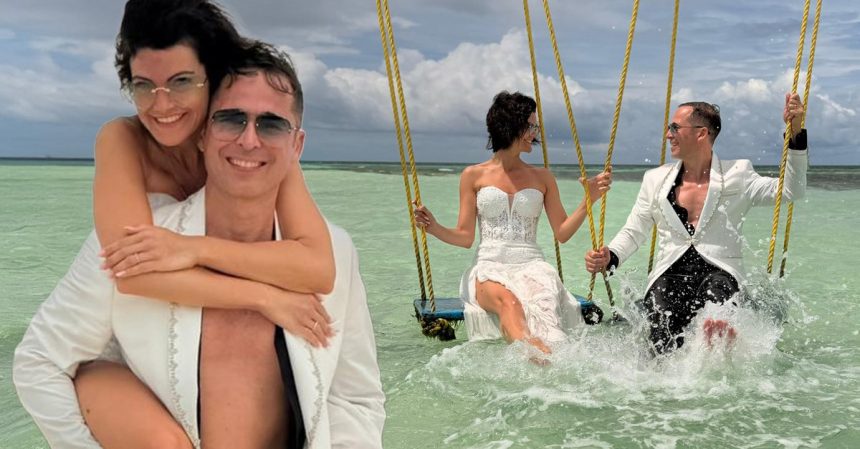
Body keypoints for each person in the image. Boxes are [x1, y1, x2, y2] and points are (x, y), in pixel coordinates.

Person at [14, 41, 385, 449]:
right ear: (203, 135)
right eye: (230, 119)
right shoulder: (139, 241)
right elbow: (40, 363)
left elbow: (354, 398)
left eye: (271, 125)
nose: (249, 140)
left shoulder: (337, 251)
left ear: (296, 146)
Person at [71, 0, 339, 444]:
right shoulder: (122, 139)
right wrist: (264, 297)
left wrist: (192, 249)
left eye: (181, 82)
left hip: (197, 347)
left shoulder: (252, 142)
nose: (161, 105)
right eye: (143, 86)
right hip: (134, 344)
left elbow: (318, 267)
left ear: (212, 79)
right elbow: (133, 273)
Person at [584, 94, 808, 354]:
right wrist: (610, 256)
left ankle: (721, 354)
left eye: (675, 127)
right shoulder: (654, 179)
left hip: (720, 271)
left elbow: (792, 190)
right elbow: (635, 230)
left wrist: (795, 133)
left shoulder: (738, 173)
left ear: (701, 133)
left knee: (719, 300)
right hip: (669, 273)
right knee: (659, 324)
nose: (668, 135)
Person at [414, 91, 611, 355]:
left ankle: (550, 362)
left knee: (546, 314)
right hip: (489, 267)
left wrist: (590, 199)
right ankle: (533, 355)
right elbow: (464, 236)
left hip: (533, 265)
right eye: (530, 126)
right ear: (510, 126)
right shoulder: (473, 175)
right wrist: (434, 227)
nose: (535, 133)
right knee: (510, 303)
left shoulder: (543, 177)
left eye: (535, 126)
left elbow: (562, 233)